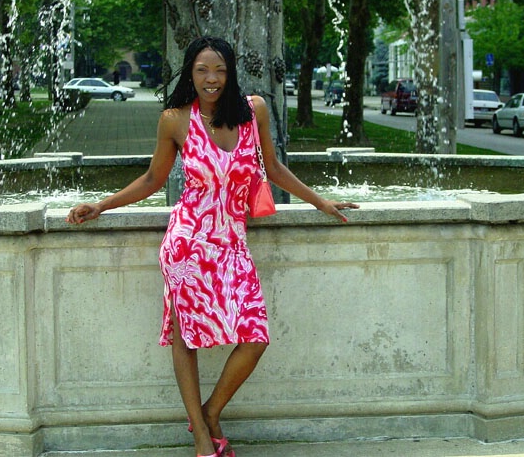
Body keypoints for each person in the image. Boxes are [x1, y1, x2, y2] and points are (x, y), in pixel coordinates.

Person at [67, 36, 358, 457]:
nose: (211, 78)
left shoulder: (252, 111)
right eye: (203, 69)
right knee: (186, 337)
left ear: (231, 72)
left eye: (219, 69)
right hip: (187, 244)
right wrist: (101, 205)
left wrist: (320, 200)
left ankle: (209, 411)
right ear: (190, 72)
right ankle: (203, 439)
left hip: (233, 245)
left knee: (254, 336)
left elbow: (273, 168)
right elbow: (152, 180)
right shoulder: (175, 120)